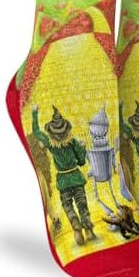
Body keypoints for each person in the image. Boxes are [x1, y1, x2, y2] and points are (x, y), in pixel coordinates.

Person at [31, 104, 94, 245]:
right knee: (82, 204)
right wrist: (82, 148)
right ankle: (89, 230)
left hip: (63, 181)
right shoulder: (73, 142)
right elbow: (82, 162)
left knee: (67, 205)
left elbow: (36, 131)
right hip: (76, 178)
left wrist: (34, 113)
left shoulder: (50, 143)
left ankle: (75, 225)